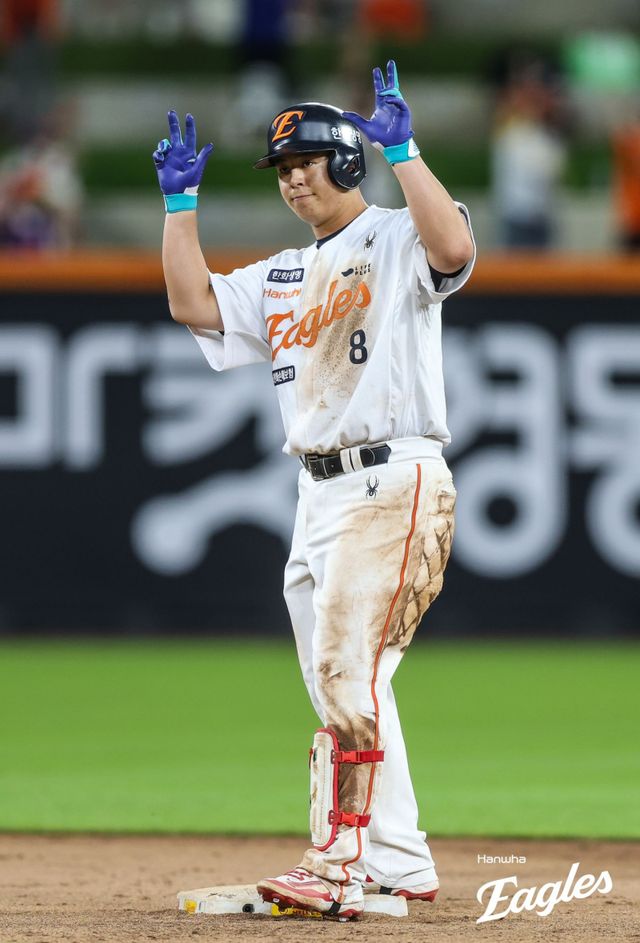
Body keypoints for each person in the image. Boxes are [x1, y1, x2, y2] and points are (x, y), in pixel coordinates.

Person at [153, 59, 475, 921]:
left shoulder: (397, 235)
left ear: (348, 161)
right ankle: (398, 861)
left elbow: (453, 251)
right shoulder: (284, 273)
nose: (294, 177)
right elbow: (193, 305)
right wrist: (180, 207)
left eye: (308, 161)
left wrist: (405, 151)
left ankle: (338, 864)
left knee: (345, 674)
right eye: (283, 168)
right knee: (348, 681)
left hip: (391, 477)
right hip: (319, 495)